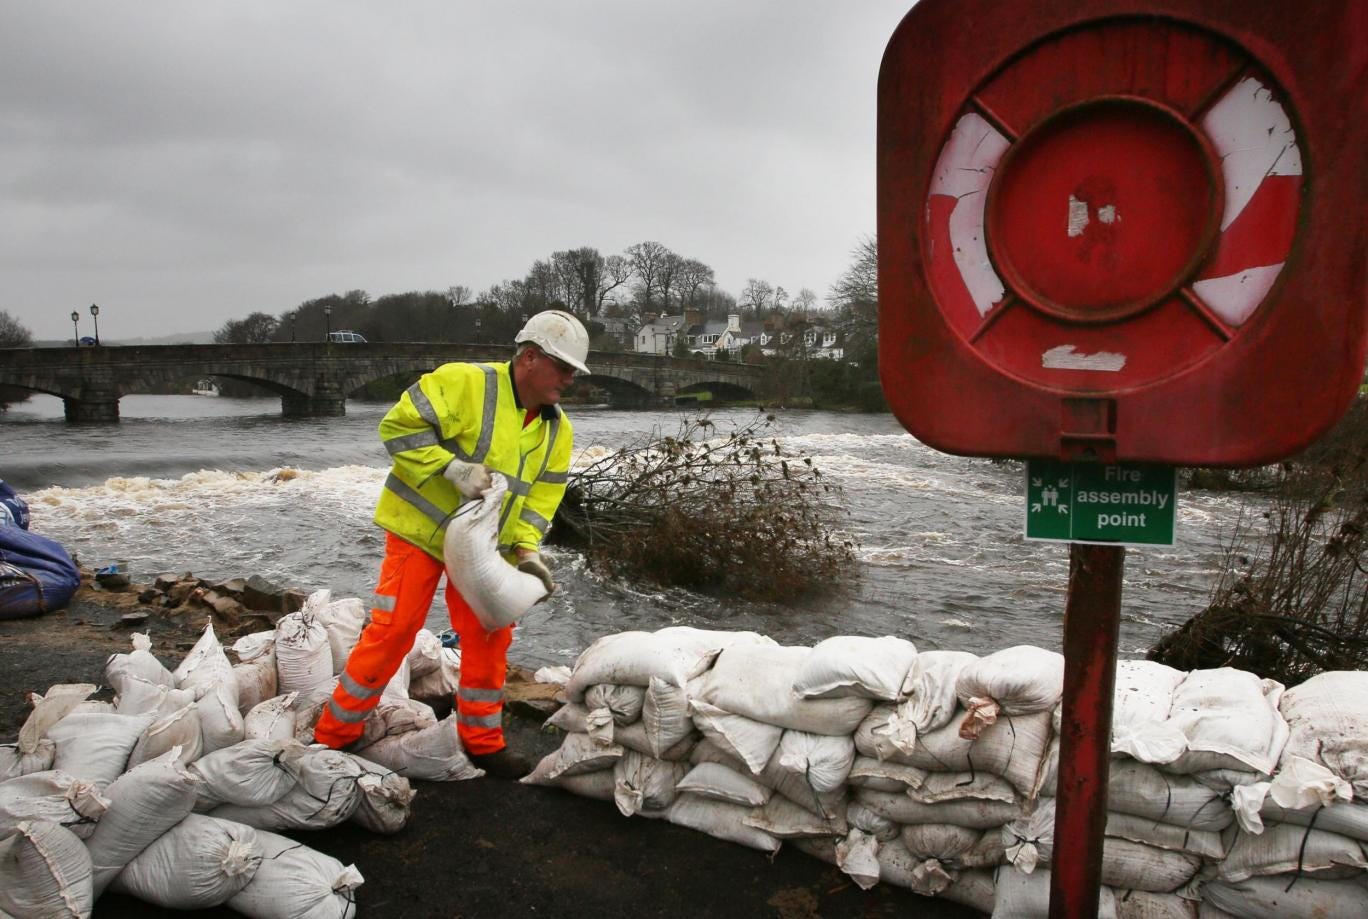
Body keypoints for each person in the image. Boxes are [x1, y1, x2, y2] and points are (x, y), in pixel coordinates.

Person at [313, 310, 588, 778]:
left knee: (489, 633)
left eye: (573, 371)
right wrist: (451, 468)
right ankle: (333, 736)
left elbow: (541, 499)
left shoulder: (556, 431)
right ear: (529, 357)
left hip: (486, 547)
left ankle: (482, 742)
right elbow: (397, 428)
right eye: (562, 367)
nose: (569, 379)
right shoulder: (465, 383)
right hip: (421, 529)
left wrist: (527, 551)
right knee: (395, 630)